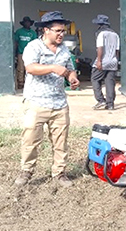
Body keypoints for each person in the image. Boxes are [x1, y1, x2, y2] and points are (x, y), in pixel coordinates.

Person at [14, 11, 80, 187]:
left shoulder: (64, 49)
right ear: (45, 30)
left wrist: (72, 78)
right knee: (30, 140)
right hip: (36, 102)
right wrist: (52, 67)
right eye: (58, 30)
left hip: (59, 104)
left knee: (60, 141)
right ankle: (26, 171)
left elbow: (69, 68)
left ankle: (59, 173)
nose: (61, 34)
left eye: (63, 31)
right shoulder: (33, 47)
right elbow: (30, 68)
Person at [91, 14, 120, 110]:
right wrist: (116, 61)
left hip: (103, 61)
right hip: (113, 61)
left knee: (95, 79)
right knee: (110, 82)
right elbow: (117, 50)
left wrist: (99, 61)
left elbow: (100, 48)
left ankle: (101, 100)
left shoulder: (101, 34)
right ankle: (110, 104)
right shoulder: (115, 35)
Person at [14, 16, 37, 89]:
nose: (27, 24)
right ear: (23, 23)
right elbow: (16, 42)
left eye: (28, 22)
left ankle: (29, 84)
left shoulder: (33, 33)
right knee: (20, 69)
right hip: (21, 52)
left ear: (30, 24)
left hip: (30, 54)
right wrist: (15, 52)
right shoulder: (19, 32)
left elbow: (35, 44)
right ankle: (20, 84)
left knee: (30, 69)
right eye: (26, 22)